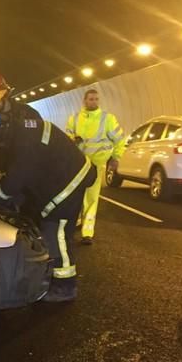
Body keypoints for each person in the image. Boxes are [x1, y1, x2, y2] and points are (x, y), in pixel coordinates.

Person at [0, 73, 97, 302]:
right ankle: (46, 275)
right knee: (41, 222)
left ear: (4, 94)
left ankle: (65, 286)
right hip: (50, 175)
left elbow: (23, 166)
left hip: (69, 176)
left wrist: (1, 194)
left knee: (56, 229)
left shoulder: (26, 119)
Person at [66, 89, 125, 245]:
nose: (94, 101)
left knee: (91, 198)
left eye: (96, 99)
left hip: (96, 165)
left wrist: (116, 157)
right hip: (78, 164)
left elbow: (119, 140)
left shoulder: (108, 119)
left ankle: (87, 232)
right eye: (91, 99)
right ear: (84, 101)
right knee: (75, 196)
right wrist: (73, 139)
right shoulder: (75, 118)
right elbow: (67, 137)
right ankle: (75, 223)